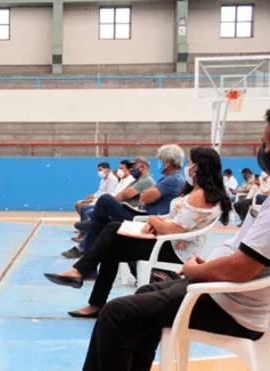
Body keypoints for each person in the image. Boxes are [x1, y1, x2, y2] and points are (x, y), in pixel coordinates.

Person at [79, 118, 270, 371]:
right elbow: (249, 258)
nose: (263, 151)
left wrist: (196, 271)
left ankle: (83, 269)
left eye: (267, 144)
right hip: (225, 291)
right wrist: (210, 265)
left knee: (115, 315)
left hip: (230, 305)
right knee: (143, 297)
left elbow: (242, 268)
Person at [45, 146, 231, 318]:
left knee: (111, 232)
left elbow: (173, 229)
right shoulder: (200, 192)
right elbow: (175, 220)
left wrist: (153, 221)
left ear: (197, 168)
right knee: (112, 243)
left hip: (174, 249)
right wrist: (158, 222)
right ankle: (86, 284)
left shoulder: (200, 197)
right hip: (170, 241)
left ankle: (82, 277)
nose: (186, 167)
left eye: (189, 163)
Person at [74, 160, 135, 241]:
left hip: (111, 202)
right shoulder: (109, 180)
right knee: (80, 205)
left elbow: (110, 194)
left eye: (121, 168)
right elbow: (110, 193)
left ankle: (84, 233)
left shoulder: (114, 179)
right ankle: (85, 229)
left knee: (84, 208)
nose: (119, 170)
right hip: (103, 199)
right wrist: (93, 197)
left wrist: (94, 198)